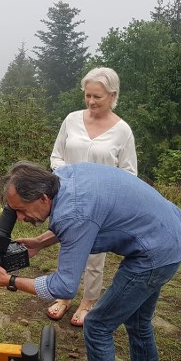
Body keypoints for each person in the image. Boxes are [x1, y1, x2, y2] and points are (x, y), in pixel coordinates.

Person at [0, 161, 181, 361]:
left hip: (152, 255)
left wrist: (8, 280)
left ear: (43, 197)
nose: (20, 217)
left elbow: (64, 287)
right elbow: (87, 215)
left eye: (21, 209)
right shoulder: (62, 178)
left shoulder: (72, 213)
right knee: (138, 320)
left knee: (98, 325)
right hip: (167, 235)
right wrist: (43, 241)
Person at [48, 67, 137, 327]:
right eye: (87, 95)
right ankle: (63, 296)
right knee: (67, 247)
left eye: (97, 96)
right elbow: (56, 156)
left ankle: (89, 301)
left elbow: (129, 173)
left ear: (112, 95)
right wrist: (68, 177)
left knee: (95, 256)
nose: (91, 101)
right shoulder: (71, 120)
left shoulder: (122, 131)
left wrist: (108, 194)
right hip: (69, 198)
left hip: (102, 206)